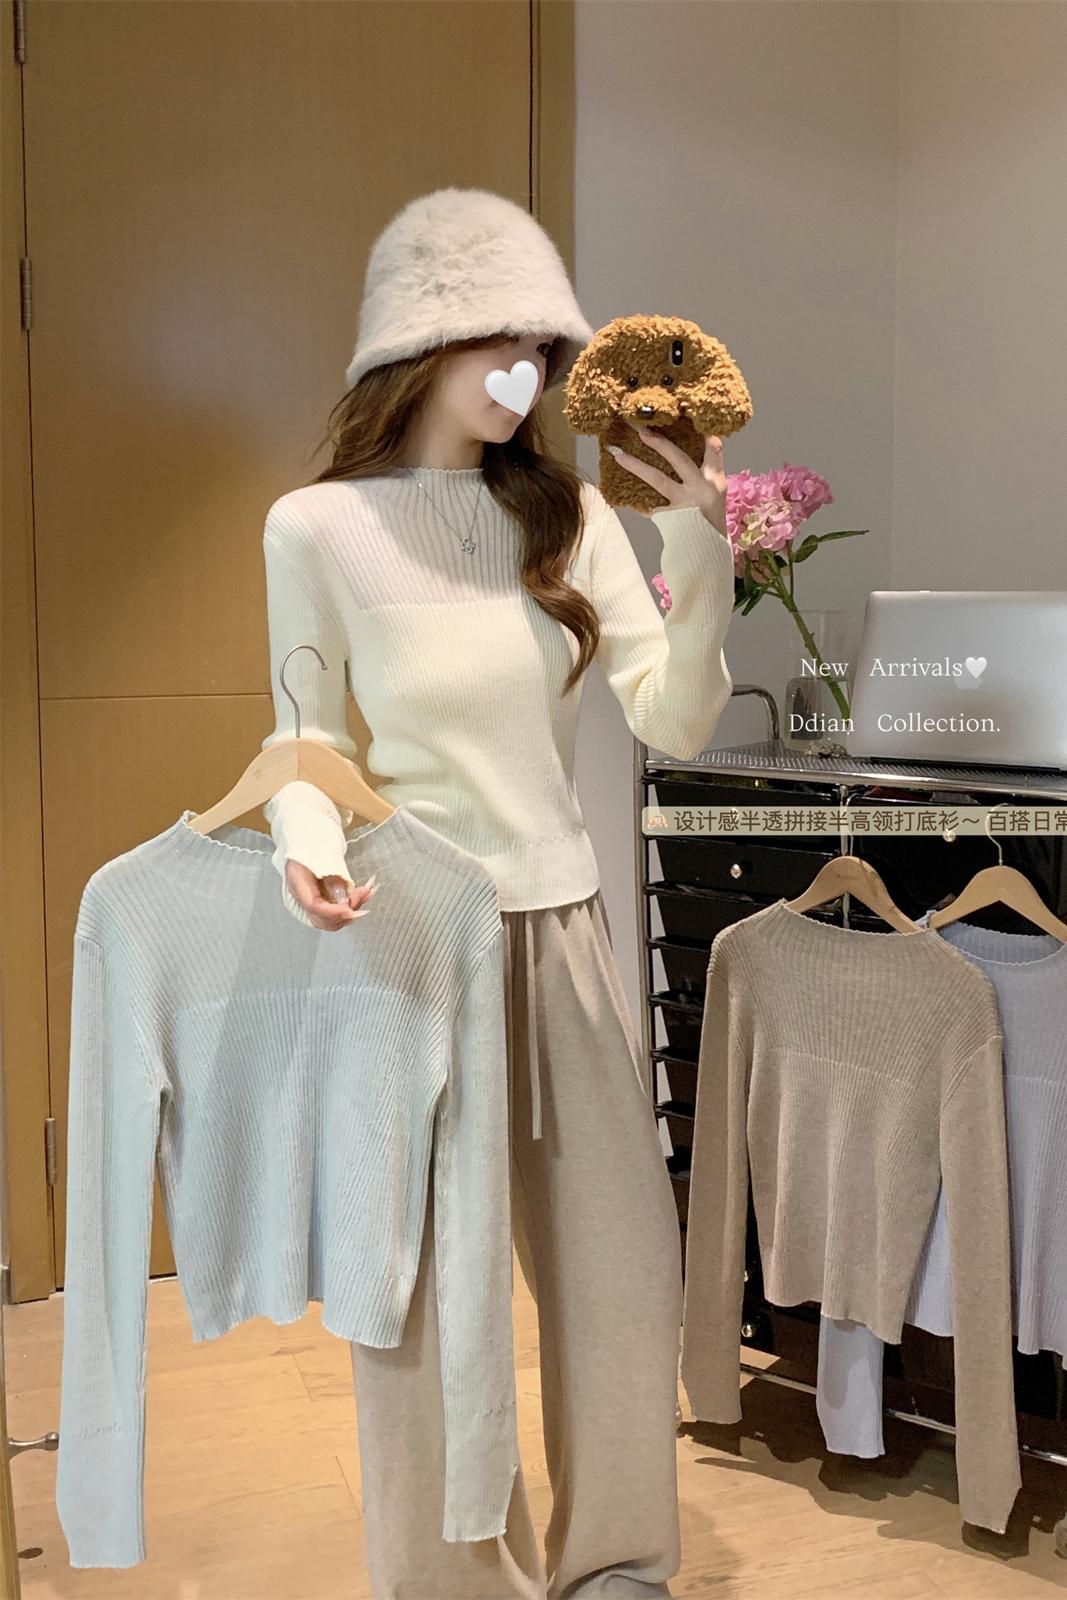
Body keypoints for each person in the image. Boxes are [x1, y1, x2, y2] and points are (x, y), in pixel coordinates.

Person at [259, 185, 736, 1599]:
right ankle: (453, 1578)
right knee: (420, 1289)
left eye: (541, 345)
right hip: (411, 939)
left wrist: (699, 542)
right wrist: (308, 846)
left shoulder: (571, 518)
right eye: (498, 340)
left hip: (563, 927)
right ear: (416, 343)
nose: (526, 371)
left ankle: (620, 1563)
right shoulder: (315, 529)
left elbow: (675, 718)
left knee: (618, 1270)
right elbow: (306, 740)